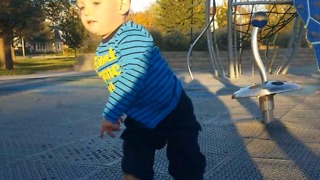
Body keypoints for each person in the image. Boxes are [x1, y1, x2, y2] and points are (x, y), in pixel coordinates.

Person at [76, 0, 206, 179]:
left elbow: (132, 76)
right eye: (82, 7)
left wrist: (112, 112)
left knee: (185, 159)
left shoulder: (132, 35)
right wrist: (121, 107)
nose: (87, 12)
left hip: (172, 107)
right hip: (141, 115)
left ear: (122, 5)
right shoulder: (101, 53)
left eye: (96, 3)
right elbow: (116, 83)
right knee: (134, 158)